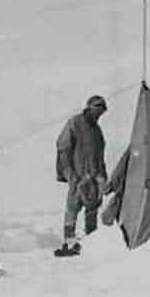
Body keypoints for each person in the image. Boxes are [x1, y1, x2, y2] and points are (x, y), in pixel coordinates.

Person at [55, 95, 108, 256]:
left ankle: (90, 242)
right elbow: (63, 146)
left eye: (101, 112)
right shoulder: (75, 123)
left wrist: (102, 177)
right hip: (78, 177)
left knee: (92, 208)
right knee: (73, 207)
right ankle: (68, 242)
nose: (99, 115)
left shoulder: (97, 131)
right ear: (90, 108)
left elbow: (100, 156)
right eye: (97, 111)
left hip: (93, 178)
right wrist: (69, 173)